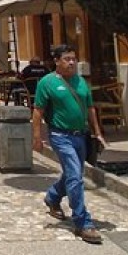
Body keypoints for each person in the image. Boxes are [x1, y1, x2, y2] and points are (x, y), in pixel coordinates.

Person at [32, 44, 105, 244]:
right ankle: (83, 222)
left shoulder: (81, 82)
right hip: (60, 135)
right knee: (75, 175)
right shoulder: (47, 83)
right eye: (67, 59)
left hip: (80, 135)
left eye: (73, 58)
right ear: (56, 61)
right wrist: (37, 137)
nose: (72, 62)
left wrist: (97, 132)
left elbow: (90, 108)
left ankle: (52, 197)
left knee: (73, 174)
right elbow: (38, 111)